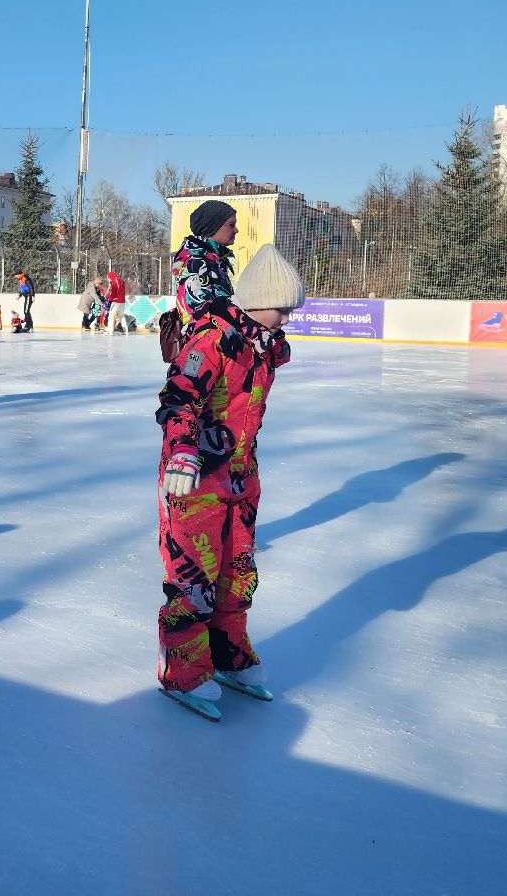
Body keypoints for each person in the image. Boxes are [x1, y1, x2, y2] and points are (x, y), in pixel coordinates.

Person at [153, 243, 304, 720]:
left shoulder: (261, 345)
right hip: (194, 477)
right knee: (193, 577)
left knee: (238, 572)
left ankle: (226, 654)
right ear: (258, 301)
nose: (288, 318)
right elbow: (178, 398)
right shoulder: (212, 340)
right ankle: (181, 670)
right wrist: (182, 450)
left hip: (242, 477)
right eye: (283, 308)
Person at [173, 200, 239, 326]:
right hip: (207, 337)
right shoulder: (195, 264)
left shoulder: (214, 261)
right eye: (231, 225)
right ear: (212, 228)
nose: (236, 230)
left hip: (221, 334)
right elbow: (199, 316)